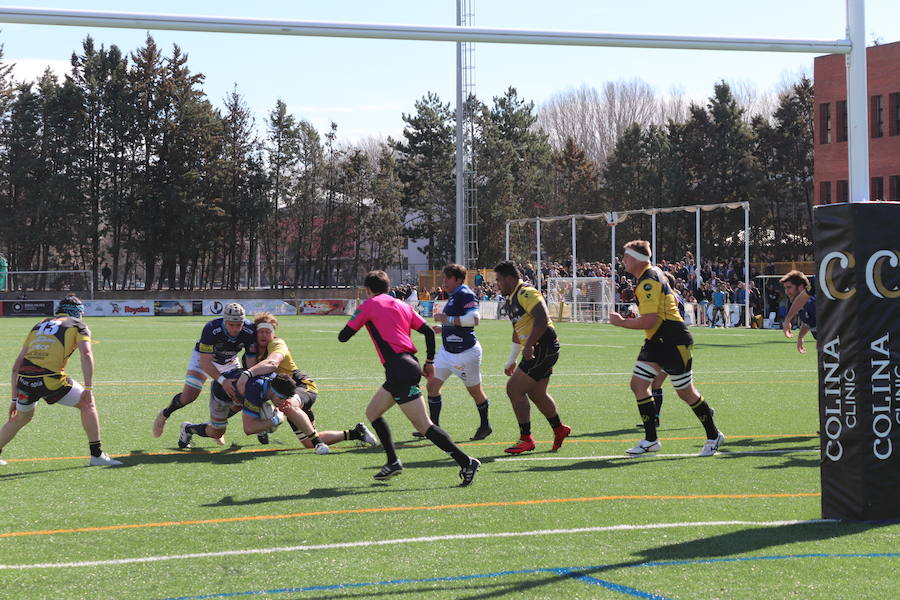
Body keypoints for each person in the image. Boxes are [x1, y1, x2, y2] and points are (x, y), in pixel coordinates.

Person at [338, 270, 480, 486]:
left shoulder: (368, 305)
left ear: (368, 290)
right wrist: (429, 361)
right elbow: (429, 332)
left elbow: (343, 337)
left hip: (399, 369)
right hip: (406, 366)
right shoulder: (403, 305)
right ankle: (393, 461)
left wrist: (360, 316)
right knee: (373, 413)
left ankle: (465, 461)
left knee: (425, 426)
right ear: (387, 287)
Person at [609, 241, 724, 457]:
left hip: (672, 339)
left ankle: (713, 434)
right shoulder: (649, 275)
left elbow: (650, 320)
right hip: (657, 340)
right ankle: (651, 440)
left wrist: (621, 322)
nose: (623, 260)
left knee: (685, 392)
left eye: (626, 256)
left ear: (637, 259)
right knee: (638, 385)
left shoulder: (647, 281)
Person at [1, 295, 121, 466]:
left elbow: (16, 366)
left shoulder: (39, 325)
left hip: (25, 380)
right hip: (50, 379)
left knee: (21, 418)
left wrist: (14, 398)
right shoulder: (78, 325)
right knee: (87, 404)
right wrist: (89, 388)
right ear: (78, 313)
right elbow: (86, 355)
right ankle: (96, 455)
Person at [231, 312, 377, 448]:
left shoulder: (277, 344)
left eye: (268, 332)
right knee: (308, 442)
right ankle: (357, 433)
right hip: (283, 393)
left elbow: (272, 362)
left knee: (287, 406)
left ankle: (319, 444)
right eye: (260, 332)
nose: (264, 335)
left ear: (273, 333)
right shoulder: (251, 355)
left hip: (301, 386)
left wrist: (248, 374)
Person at [493, 261, 571, 454]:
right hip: (538, 347)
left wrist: (528, 346)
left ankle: (526, 439)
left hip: (542, 346)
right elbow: (517, 331)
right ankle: (559, 429)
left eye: (499, 280)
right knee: (536, 393)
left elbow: (542, 318)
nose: (497, 284)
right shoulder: (511, 298)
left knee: (514, 388)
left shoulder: (525, 292)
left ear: (510, 279)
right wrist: (511, 359)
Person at [152, 303, 256, 441]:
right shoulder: (212, 328)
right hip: (204, 358)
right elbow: (205, 362)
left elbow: (251, 361)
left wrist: (249, 379)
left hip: (229, 361)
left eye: (239, 325)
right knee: (189, 396)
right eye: (231, 325)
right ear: (225, 321)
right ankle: (164, 414)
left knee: (239, 397)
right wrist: (223, 381)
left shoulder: (249, 330)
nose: (236, 329)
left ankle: (215, 425)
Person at [413, 264, 492, 441]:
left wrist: (445, 319)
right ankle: (433, 428)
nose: (444, 281)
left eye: (447, 278)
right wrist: (444, 327)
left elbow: (474, 319)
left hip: (466, 353)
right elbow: (459, 322)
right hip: (447, 352)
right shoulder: (454, 295)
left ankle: (485, 425)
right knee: (432, 386)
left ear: (458, 279)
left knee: (475, 392)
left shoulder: (465, 293)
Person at [780, 270, 816, 354]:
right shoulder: (802, 307)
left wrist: (787, 320)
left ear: (801, 288)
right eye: (785, 288)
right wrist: (800, 337)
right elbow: (808, 321)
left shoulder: (812, 304)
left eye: (789, 287)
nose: (786, 292)